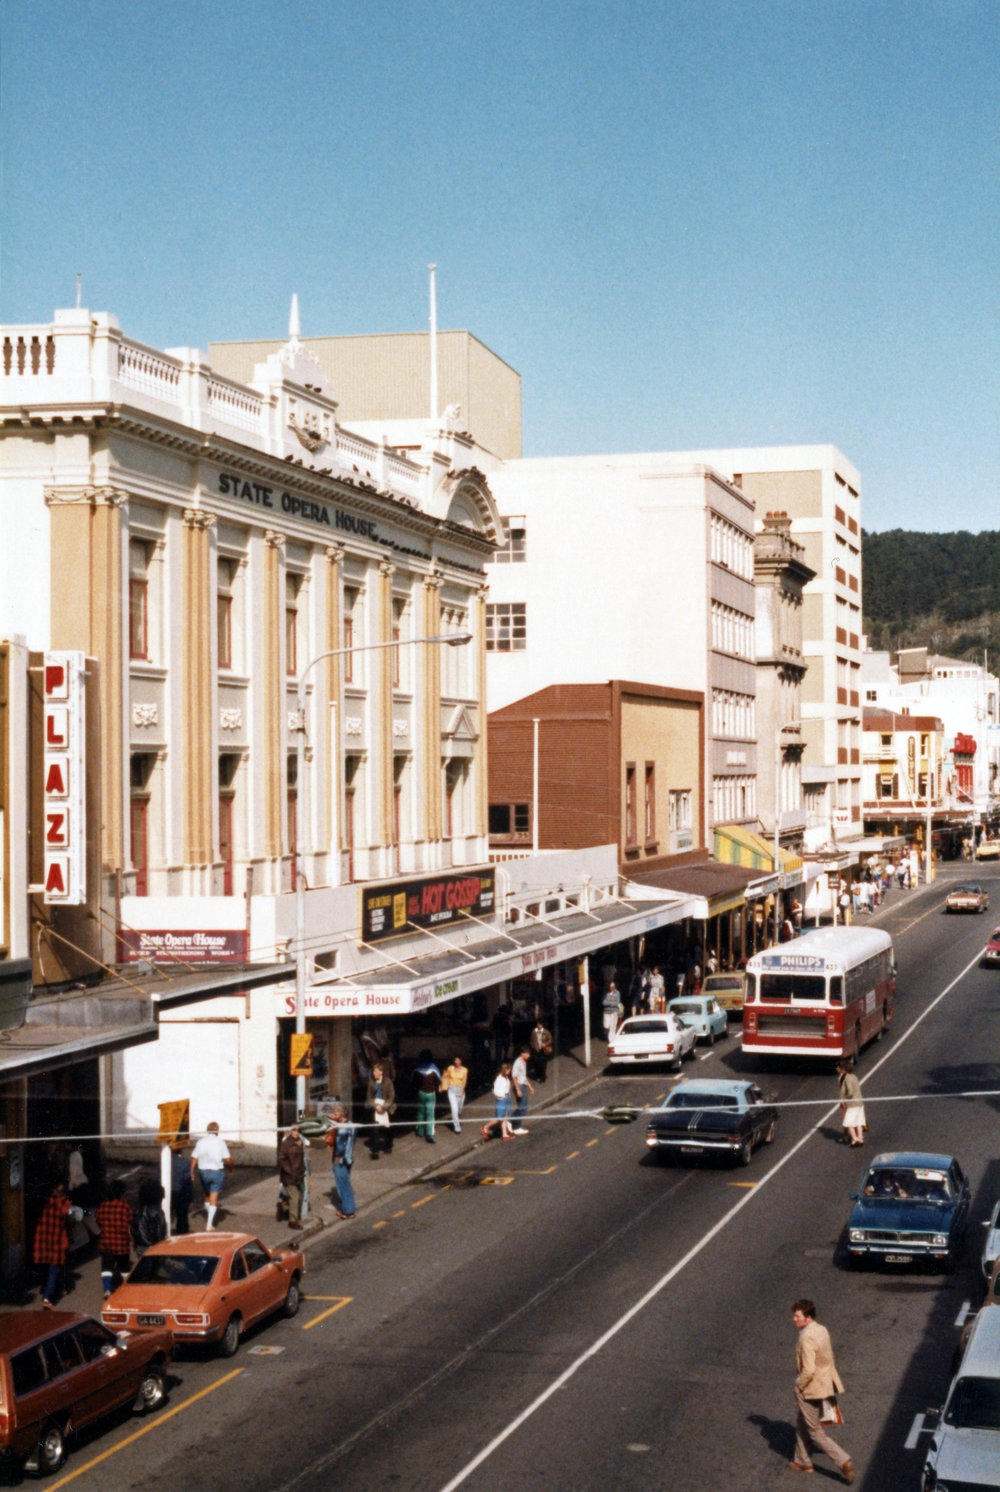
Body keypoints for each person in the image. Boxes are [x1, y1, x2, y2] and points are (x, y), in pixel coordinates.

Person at [789, 1298, 854, 1483]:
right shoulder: (821, 1329)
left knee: (815, 1431)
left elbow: (808, 1369)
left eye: (797, 1316)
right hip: (825, 1384)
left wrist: (799, 1386)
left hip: (810, 1389)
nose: (794, 1319)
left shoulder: (806, 1337)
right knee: (803, 1421)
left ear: (807, 1317)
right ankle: (802, 1460)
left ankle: (843, 1461)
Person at [33, 1181, 81, 1308]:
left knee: (48, 1268)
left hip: (43, 1239)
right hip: (56, 1241)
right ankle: (47, 1298)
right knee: (55, 1269)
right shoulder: (61, 1202)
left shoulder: (43, 1202)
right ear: (57, 1187)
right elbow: (69, 1214)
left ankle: (57, 1289)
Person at [190, 1121, 234, 1231]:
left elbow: (194, 1157)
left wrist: (191, 1172)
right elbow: (228, 1159)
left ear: (207, 1130)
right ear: (217, 1131)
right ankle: (209, 1224)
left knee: (207, 1195)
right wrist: (231, 1168)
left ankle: (208, 1215)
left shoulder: (200, 1142)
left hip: (203, 1172)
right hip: (216, 1172)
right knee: (214, 1198)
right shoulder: (220, 1142)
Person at [95, 1179, 132, 1298]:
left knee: (106, 1267)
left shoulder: (102, 1206)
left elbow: (97, 1220)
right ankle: (127, 1288)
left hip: (106, 1243)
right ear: (121, 1193)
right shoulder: (125, 1207)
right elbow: (130, 1224)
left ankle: (107, 1289)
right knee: (124, 1267)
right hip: (121, 1243)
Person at [325, 1103, 357, 1219]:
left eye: (336, 1112)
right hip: (348, 1159)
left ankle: (348, 1211)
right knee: (345, 1183)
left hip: (341, 1160)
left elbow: (342, 1145)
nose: (334, 1114)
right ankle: (347, 1208)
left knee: (343, 1185)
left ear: (342, 1114)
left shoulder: (343, 1129)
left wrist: (337, 1157)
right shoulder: (350, 1125)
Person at [277, 1121, 309, 1228]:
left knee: (295, 1196)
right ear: (290, 1131)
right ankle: (293, 1221)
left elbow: (302, 1157)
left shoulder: (300, 1142)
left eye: (298, 1130)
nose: (296, 1132)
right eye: (294, 1130)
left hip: (298, 1174)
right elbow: (281, 1159)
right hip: (289, 1175)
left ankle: (282, 1207)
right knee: (295, 1197)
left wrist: (304, 1169)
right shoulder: (286, 1143)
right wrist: (289, 1171)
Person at [366, 1061, 397, 1155]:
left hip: (386, 1106)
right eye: (373, 1072)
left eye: (376, 1072)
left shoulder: (388, 1082)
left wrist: (383, 1108)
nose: (374, 1074)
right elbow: (369, 1097)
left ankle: (388, 1146)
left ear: (381, 1072)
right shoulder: (371, 1083)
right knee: (375, 1128)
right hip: (376, 1106)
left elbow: (391, 1097)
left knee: (388, 1128)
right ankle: (375, 1149)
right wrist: (375, 1106)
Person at [131, 1178, 167, 1255]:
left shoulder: (137, 1211)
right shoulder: (157, 1212)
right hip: (153, 1247)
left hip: (140, 1246)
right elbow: (160, 1232)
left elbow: (133, 1229)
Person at [413, 1050, 442, 1143]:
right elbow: (439, 1080)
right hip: (431, 1094)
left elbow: (412, 1080)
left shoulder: (417, 1069)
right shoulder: (434, 1068)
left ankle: (420, 1131)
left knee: (420, 1112)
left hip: (421, 1093)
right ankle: (429, 1134)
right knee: (430, 1114)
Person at [837, 1059, 866, 1147]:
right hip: (859, 1103)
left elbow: (850, 1092)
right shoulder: (854, 1076)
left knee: (848, 1122)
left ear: (843, 1069)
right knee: (858, 1121)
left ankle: (854, 1139)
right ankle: (860, 1138)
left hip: (852, 1104)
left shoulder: (847, 1078)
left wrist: (844, 1099)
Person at [439, 1056, 468, 1135]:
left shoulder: (464, 1070)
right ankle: (457, 1127)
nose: (457, 1061)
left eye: (459, 1060)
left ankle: (457, 1117)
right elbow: (445, 1076)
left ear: (461, 1061)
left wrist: (461, 1091)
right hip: (451, 1090)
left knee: (459, 1108)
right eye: (456, 1060)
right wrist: (441, 1086)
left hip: (460, 1090)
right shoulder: (450, 1068)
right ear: (454, 1061)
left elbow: (464, 1081)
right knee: (454, 1108)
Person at [170, 1141, 193, 1235]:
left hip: (167, 1193)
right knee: (182, 1218)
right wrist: (191, 1200)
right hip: (180, 1193)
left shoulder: (163, 1162)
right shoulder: (184, 1164)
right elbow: (188, 1183)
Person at [510, 1046, 534, 1134]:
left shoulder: (523, 1062)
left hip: (523, 1085)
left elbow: (523, 1076)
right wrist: (517, 1089)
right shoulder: (517, 1063)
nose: (529, 1056)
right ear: (522, 1054)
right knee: (522, 1107)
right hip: (519, 1086)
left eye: (529, 1054)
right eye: (527, 1054)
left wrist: (529, 1086)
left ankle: (511, 1121)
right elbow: (514, 1077)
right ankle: (516, 1127)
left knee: (523, 1107)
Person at [492, 1062, 515, 1140]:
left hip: (506, 1098)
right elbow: (495, 1091)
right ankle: (486, 1126)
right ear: (504, 1070)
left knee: (505, 1116)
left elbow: (506, 1087)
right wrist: (503, 1095)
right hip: (501, 1099)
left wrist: (508, 1094)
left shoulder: (506, 1078)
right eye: (508, 1070)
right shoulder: (499, 1078)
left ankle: (504, 1134)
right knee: (500, 1118)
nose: (509, 1072)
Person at [529, 1016, 553, 1082]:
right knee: (536, 1064)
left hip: (543, 1051)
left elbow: (550, 1040)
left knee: (543, 1064)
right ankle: (537, 1076)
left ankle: (542, 1077)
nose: (539, 1026)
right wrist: (533, 1047)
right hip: (536, 1051)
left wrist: (546, 1044)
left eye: (540, 1024)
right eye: (538, 1024)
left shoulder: (546, 1032)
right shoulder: (534, 1032)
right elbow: (531, 1041)